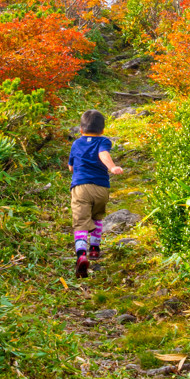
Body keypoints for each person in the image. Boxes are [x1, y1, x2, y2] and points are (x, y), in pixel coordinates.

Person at [68, 109, 123, 278]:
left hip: (81, 187)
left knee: (81, 222)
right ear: (103, 130)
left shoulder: (76, 144)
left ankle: (81, 255)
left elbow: (70, 167)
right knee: (97, 217)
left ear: (81, 130)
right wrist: (111, 168)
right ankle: (95, 249)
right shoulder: (104, 141)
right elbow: (103, 153)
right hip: (101, 188)